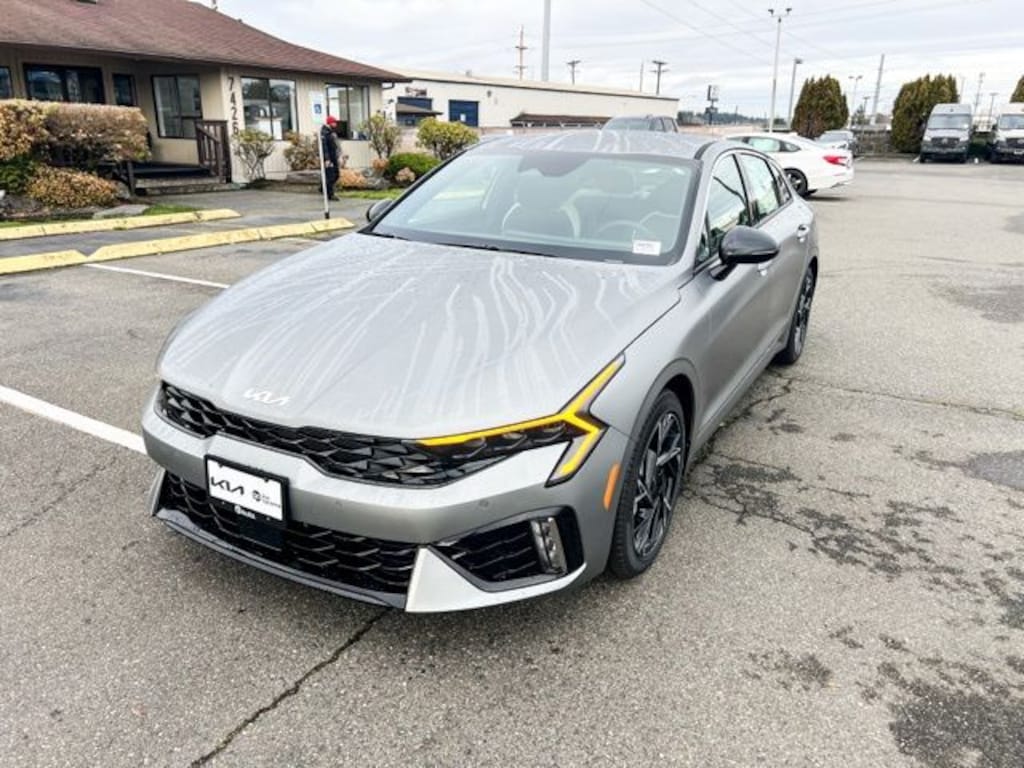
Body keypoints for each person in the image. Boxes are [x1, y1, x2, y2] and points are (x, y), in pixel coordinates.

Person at [320, 116, 341, 200]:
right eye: (334, 122)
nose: (335, 124)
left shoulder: (331, 132)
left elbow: (335, 145)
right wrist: (327, 159)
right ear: (330, 123)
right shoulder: (324, 133)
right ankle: (330, 194)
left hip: (333, 157)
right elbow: (324, 147)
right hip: (329, 158)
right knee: (331, 176)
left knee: (336, 174)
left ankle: (323, 187)